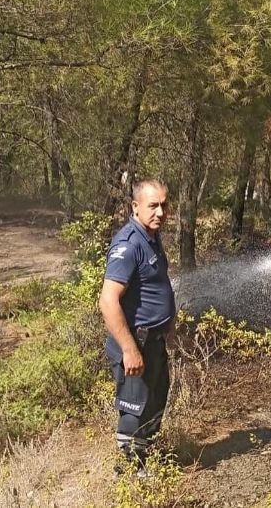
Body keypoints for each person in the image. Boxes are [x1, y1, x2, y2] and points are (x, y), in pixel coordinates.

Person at [98, 179, 175, 474]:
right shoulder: (128, 245)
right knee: (134, 407)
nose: (160, 212)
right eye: (153, 205)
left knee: (156, 399)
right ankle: (130, 474)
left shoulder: (151, 237)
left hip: (153, 341)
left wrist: (169, 321)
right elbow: (108, 301)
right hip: (136, 342)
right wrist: (130, 350)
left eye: (164, 205)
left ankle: (147, 460)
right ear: (135, 207)